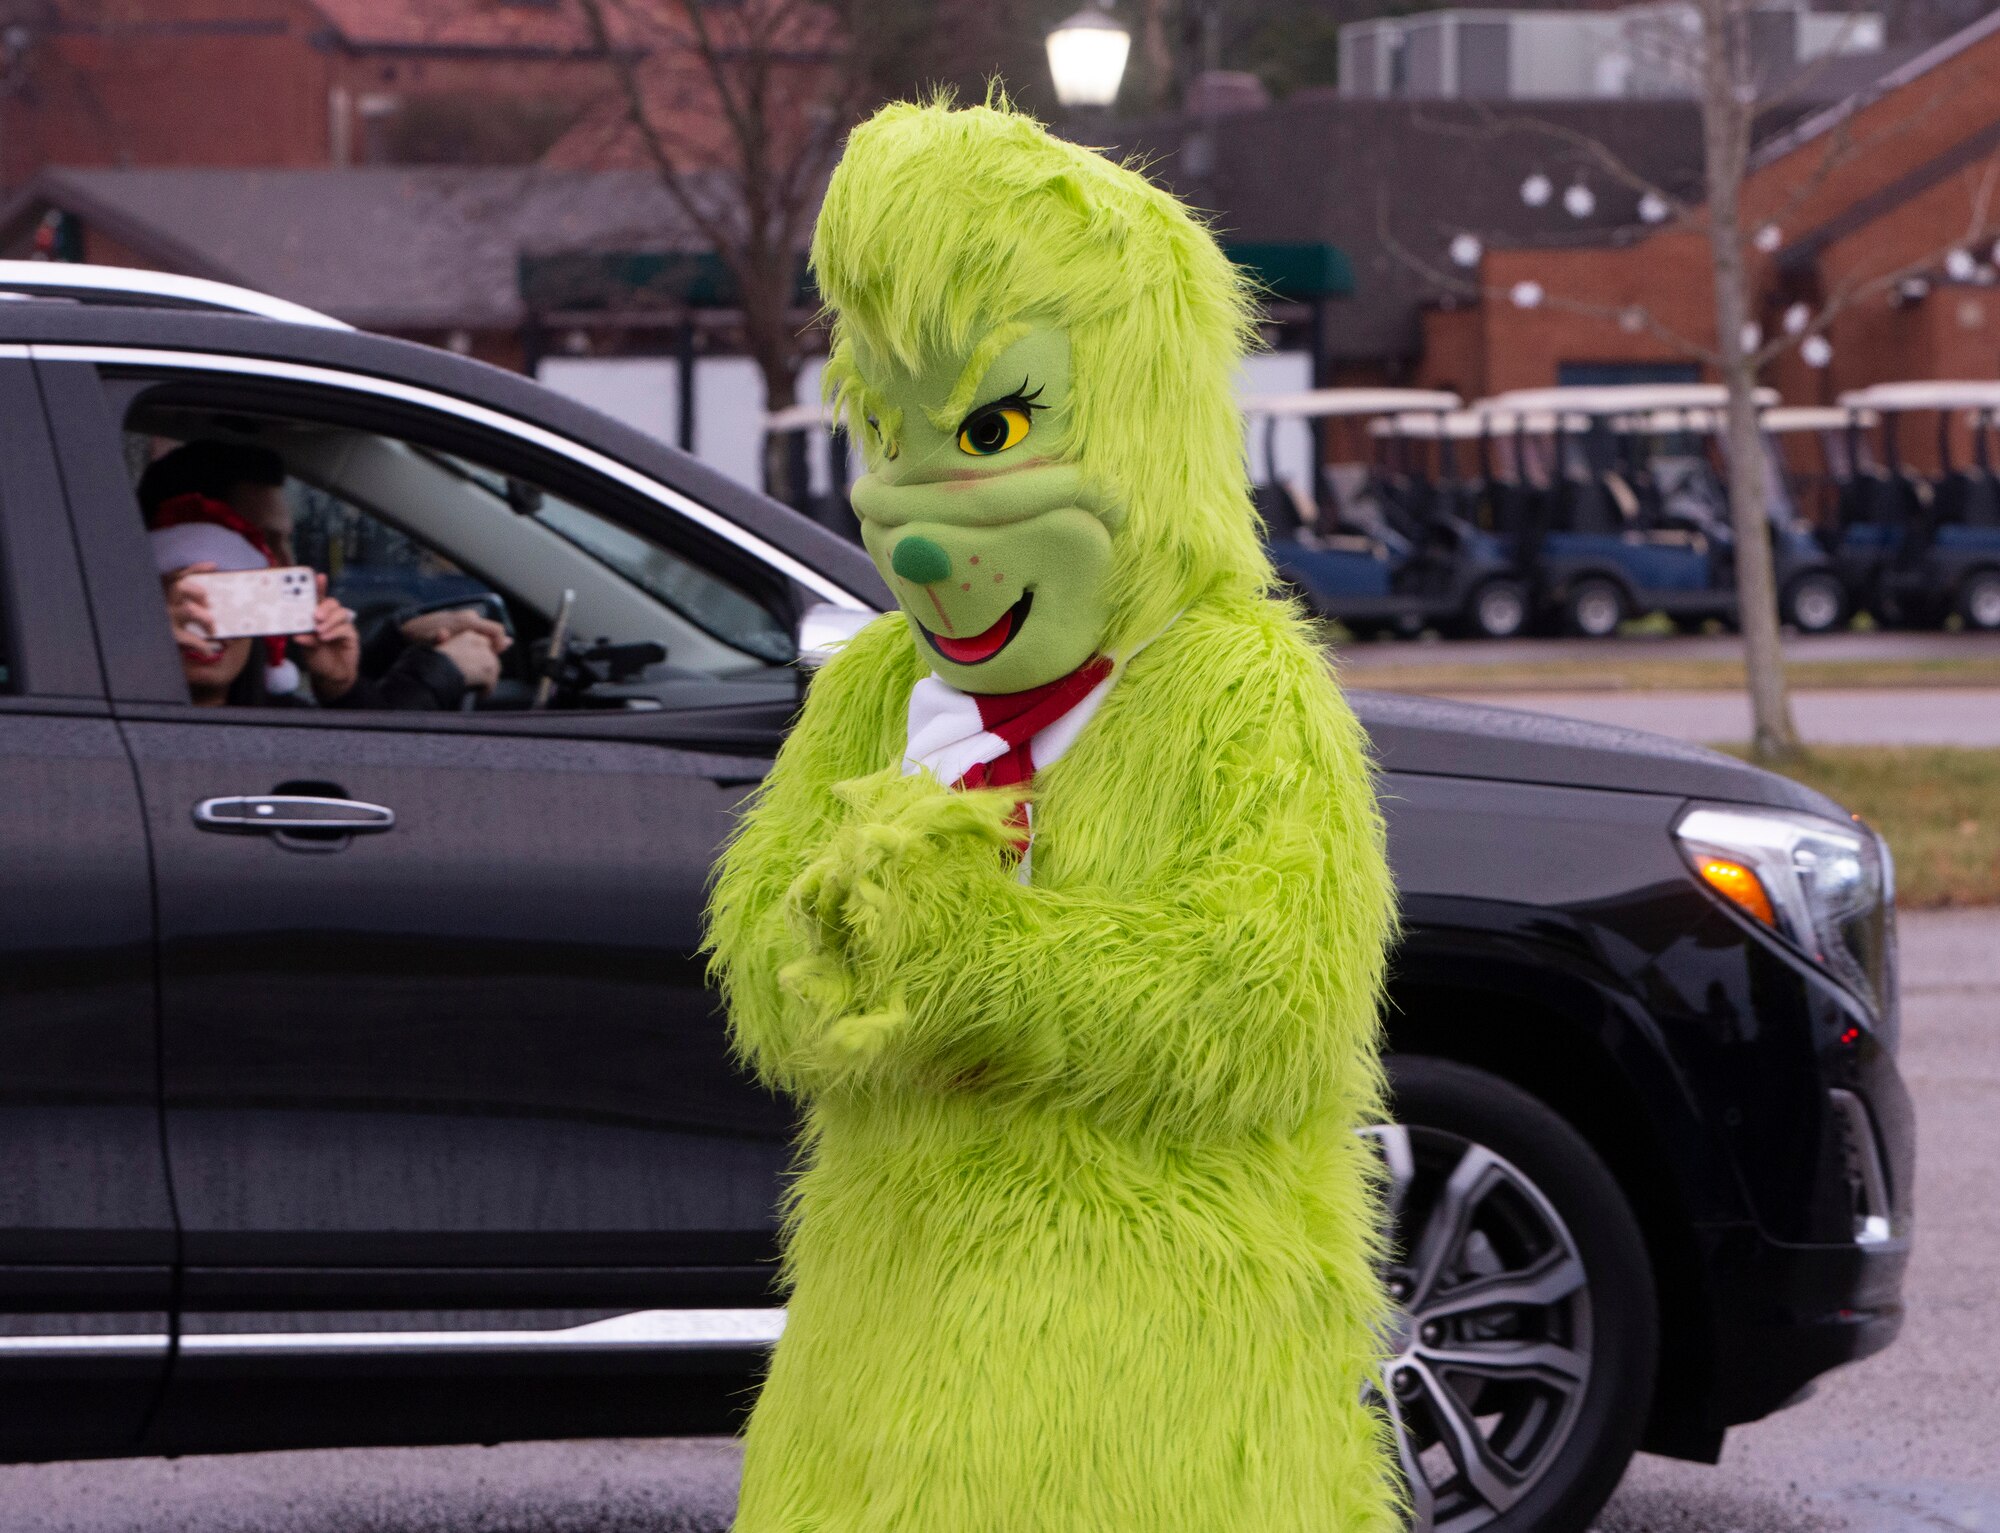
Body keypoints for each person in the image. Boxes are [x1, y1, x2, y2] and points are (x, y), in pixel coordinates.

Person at [707, 98, 1399, 1533]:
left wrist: (983, 961)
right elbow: (763, 982)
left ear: (1137, 427)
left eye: (994, 425)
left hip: (1151, 1401)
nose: (911, 514)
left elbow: (1270, 1014)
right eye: (890, 431)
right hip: (879, 1378)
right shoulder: (872, 691)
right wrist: (835, 937)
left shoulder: (1240, 690)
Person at [138, 439, 508, 703]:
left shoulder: (272, 692)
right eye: (260, 544)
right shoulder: (101, 690)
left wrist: (378, 655)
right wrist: (435, 675)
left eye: (283, 543)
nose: (283, 565)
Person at [153, 493, 483, 710]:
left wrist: (343, 689)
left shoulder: (283, 717)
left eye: (229, 597)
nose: (207, 620)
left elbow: (375, 769)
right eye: (189, 598)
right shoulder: (113, 713)